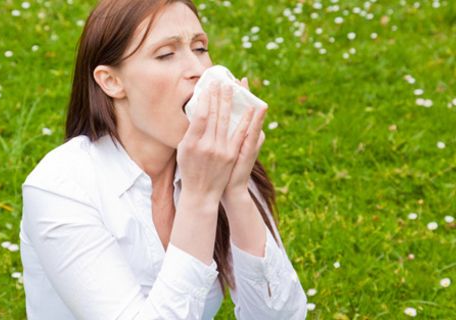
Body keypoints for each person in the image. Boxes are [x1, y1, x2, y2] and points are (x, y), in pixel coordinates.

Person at [19, 0, 307, 319]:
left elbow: (281, 316)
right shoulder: (60, 188)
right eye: (166, 54)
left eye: (199, 48)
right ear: (111, 81)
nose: (198, 70)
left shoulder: (211, 160)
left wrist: (236, 190)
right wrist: (200, 198)